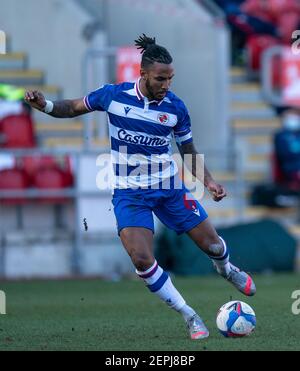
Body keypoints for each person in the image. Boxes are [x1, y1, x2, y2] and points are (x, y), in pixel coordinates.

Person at [24, 34, 256, 340]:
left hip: (169, 189)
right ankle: (190, 315)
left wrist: (209, 182)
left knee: (212, 245)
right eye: (161, 78)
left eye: (171, 78)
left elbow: (188, 150)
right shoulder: (113, 96)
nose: (166, 85)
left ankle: (226, 269)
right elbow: (73, 107)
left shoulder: (176, 108)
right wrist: (46, 105)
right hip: (129, 193)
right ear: (143, 73)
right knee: (142, 259)